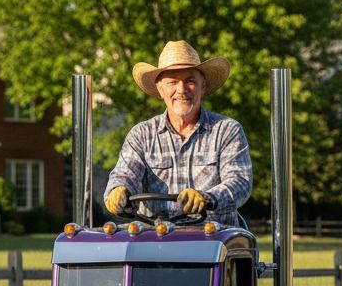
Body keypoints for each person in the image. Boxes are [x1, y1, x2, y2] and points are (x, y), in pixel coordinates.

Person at [103, 40, 252, 225]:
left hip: (213, 240)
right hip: (156, 240)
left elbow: (240, 183)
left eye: (190, 81)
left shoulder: (227, 130)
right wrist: (118, 190)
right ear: (160, 88)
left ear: (202, 86)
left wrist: (207, 198)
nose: (181, 90)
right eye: (173, 82)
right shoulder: (141, 135)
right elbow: (124, 175)